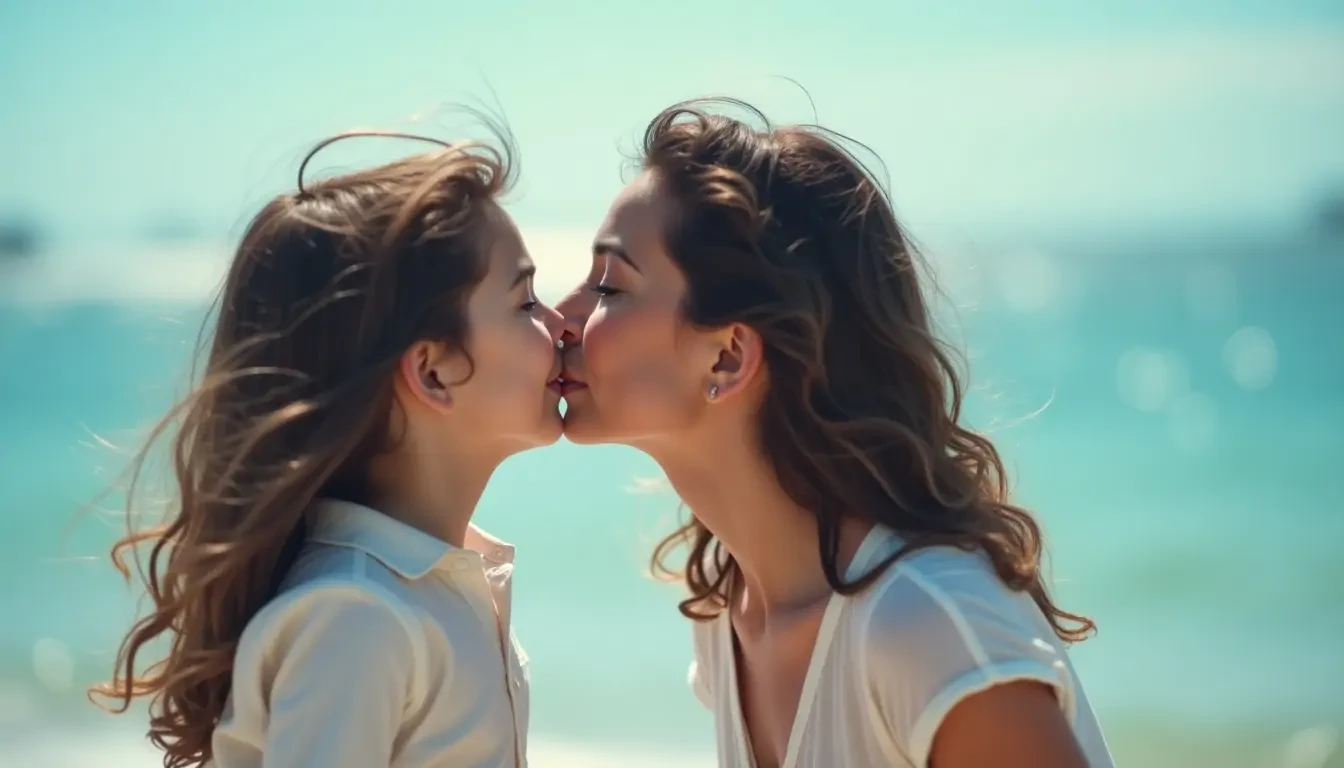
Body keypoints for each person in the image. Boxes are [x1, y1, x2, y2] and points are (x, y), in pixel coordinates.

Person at [554, 99, 1115, 768]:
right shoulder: (731, 617)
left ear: (728, 356)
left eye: (610, 286)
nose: (561, 315)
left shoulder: (929, 628)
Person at [92, 129, 563, 768]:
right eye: (525, 300)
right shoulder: (358, 616)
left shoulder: (433, 588)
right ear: (432, 372)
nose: (560, 324)